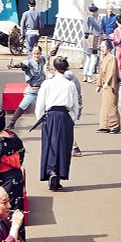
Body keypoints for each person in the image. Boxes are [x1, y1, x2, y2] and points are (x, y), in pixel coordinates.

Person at [33, 55, 82, 190]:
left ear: (54, 68)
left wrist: (40, 118)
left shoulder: (47, 83)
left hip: (50, 116)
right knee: (64, 147)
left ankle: (51, 171)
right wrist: (72, 119)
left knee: (50, 145)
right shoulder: (70, 85)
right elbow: (75, 105)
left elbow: (40, 103)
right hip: (65, 115)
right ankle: (59, 175)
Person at [96, 43, 121, 133]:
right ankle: (105, 125)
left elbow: (112, 71)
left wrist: (107, 82)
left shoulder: (112, 58)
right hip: (105, 85)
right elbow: (101, 72)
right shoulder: (105, 58)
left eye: (103, 47)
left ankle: (115, 125)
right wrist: (99, 85)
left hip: (111, 84)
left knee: (111, 105)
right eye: (101, 47)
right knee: (105, 105)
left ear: (108, 48)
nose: (102, 49)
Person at [17, 45, 48, 117]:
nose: (36, 56)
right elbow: (23, 65)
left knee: (48, 106)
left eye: (38, 53)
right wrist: (17, 65)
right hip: (32, 89)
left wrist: (57, 45)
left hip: (41, 89)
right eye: (34, 53)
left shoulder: (43, 59)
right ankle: (12, 122)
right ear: (31, 53)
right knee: (22, 106)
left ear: (40, 53)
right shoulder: (29, 62)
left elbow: (52, 53)